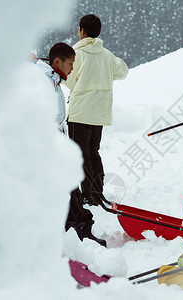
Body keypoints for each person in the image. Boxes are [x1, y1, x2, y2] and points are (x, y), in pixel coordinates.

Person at [64, 14, 129, 246]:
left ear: (81, 31)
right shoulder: (106, 54)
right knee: (93, 151)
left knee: (78, 155)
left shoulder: (76, 54)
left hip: (81, 112)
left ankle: (86, 195)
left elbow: (68, 80)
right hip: (99, 113)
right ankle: (96, 192)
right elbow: (123, 71)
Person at [35, 43, 75, 135]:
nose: (72, 69)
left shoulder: (54, 81)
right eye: (70, 64)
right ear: (57, 62)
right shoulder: (45, 82)